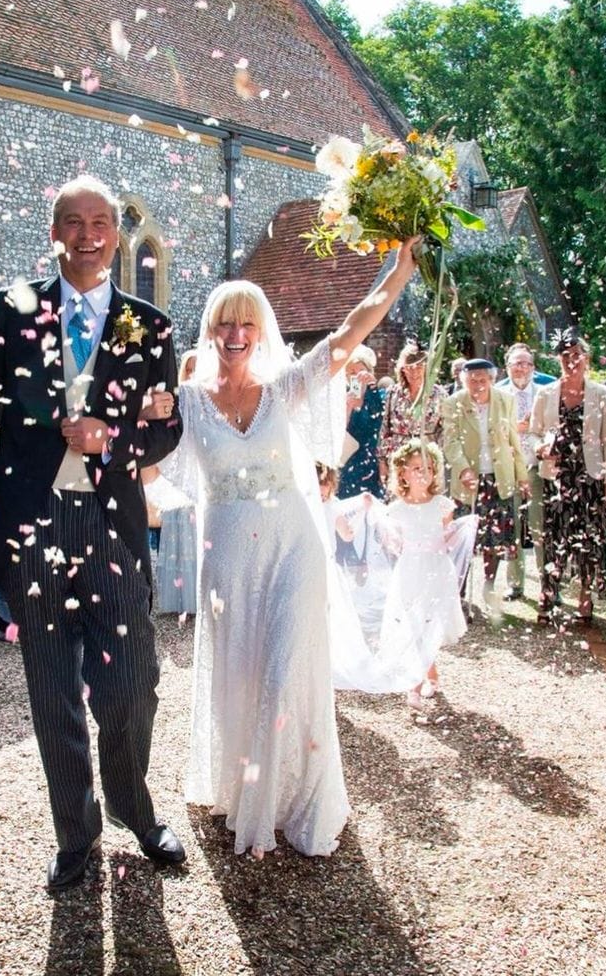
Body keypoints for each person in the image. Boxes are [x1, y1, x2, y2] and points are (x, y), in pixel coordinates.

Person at [0, 175, 185, 891]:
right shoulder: (13, 313)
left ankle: (136, 808)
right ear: (56, 233)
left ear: (115, 232)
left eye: (100, 221)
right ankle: (75, 833)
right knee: (52, 689)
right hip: (32, 521)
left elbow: (166, 429)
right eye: (72, 222)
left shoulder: (150, 326)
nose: (87, 234)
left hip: (112, 523)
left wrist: (111, 439)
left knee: (132, 685)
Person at [160, 238, 420, 859]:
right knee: (243, 671)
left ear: (262, 330)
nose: (236, 332)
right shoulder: (186, 404)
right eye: (225, 322)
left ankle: (292, 796)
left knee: (285, 670)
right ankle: (246, 788)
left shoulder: (282, 390)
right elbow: (140, 462)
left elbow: (351, 332)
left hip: (294, 546)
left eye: (247, 322)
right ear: (211, 331)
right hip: (227, 555)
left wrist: (401, 267)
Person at [370, 440, 470, 710]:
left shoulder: (442, 505)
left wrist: (460, 532)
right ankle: (429, 674)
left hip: (436, 570)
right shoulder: (396, 509)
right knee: (414, 625)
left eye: (428, 467)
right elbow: (395, 545)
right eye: (415, 468)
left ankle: (415, 683)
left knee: (429, 624)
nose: (422, 473)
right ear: (402, 473)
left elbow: (447, 539)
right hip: (410, 571)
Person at [530, 330, 606, 625]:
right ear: (559, 360)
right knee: (554, 537)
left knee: (589, 539)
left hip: (589, 477)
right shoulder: (545, 394)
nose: (572, 362)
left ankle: (585, 596)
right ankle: (548, 595)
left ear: (587, 358)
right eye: (566, 357)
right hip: (558, 476)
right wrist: (541, 447)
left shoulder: (601, 393)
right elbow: (533, 433)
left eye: (577, 356)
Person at [442, 359, 529, 603]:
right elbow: (450, 441)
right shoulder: (453, 403)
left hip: (498, 478)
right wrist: (463, 470)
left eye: (482, 380)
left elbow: (513, 440)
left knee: (496, 537)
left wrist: (522, 477)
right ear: (464, 380)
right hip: (468, 480)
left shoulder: (505, 401)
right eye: (472, 380)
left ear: (491, 380)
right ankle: (458, 592)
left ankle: (489, 585)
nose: (477, 385)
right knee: (465, 537)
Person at [142, 349, 199, 616]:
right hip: (173, 479)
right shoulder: (176, 404)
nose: (194, 374)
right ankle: (180, 598)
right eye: (190, 369)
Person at [495, 343, 549, 600]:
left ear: (533, 367)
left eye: (527, 363)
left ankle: (548, 585)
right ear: (508, 367)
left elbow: (552, 428)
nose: (522, 368)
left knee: (541, 528)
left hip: (537, 469)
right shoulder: (497, 394)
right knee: (512, 528)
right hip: (510, 469)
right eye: (517, 363)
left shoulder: (545, 393)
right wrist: (514, 428)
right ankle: (515, 584)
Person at [377, 341, 445, 487]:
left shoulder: (439, 394)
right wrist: (382, 460)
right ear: (402, 370)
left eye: (419, 367)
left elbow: (444, 430)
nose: (414, 372)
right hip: (399, 456)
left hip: (427, 457)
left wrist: (437, 458)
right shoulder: (392, 393)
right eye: (409, 368)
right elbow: (385, 429)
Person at [338, 345, 386, 500]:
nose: (357, 375)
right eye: (352, 372)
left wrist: (372, 385)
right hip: (349, 459)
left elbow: (384, 421)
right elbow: (338, 431)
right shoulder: (341, 399)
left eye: (360, 371)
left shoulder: (379, 396)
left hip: (375, 459)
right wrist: (347, 407)